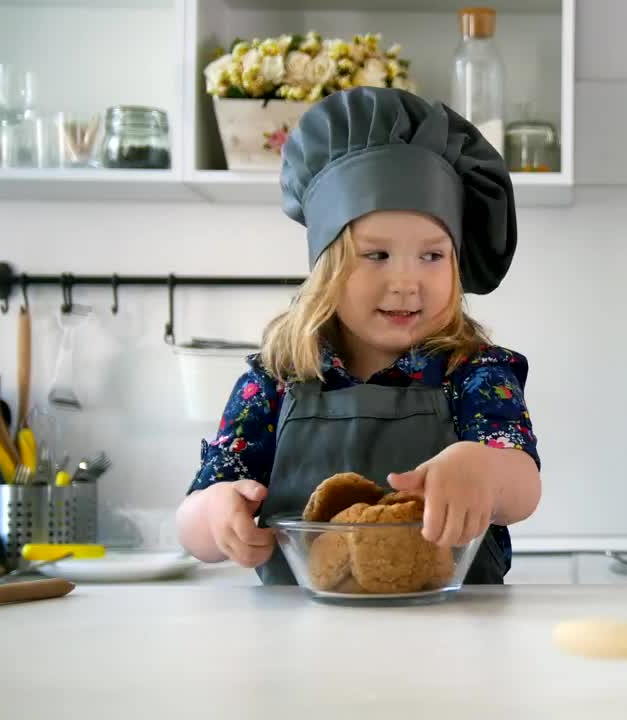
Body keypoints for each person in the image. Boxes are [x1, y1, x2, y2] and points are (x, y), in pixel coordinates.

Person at [176, 86, 541, 585]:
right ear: (327, 264)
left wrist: (485, 470)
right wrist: (217, 513)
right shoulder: (276, 380)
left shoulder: (475, 372)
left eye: (432, 255)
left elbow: (523, 487)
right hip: (299, 628)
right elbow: (193, 525)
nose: (406, 281)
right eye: (377, 255)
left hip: (453, 625)